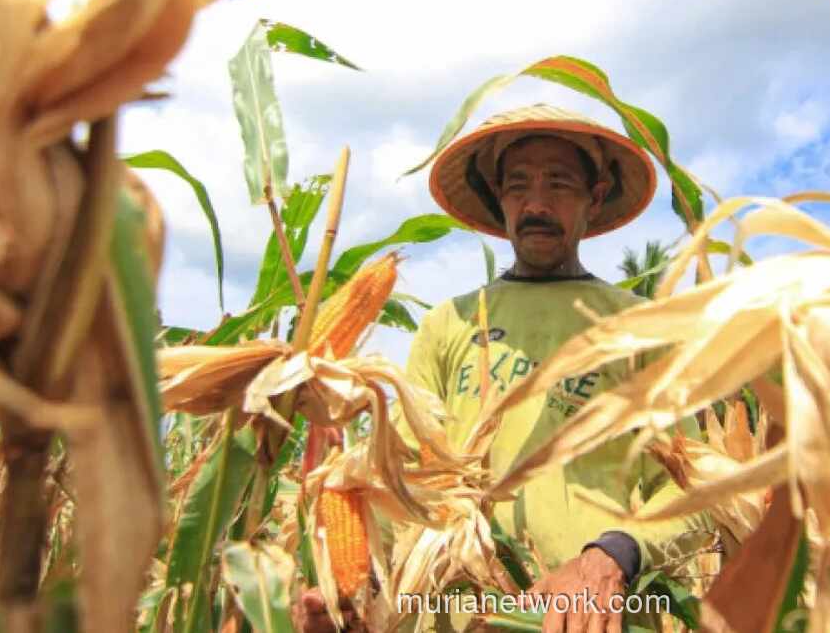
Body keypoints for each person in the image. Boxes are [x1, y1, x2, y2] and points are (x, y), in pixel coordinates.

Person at [297, 104, 710, 633]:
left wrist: (611, 556)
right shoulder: (449, 323)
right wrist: (352, 592)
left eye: (559, 183)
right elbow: (401, 482)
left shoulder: (639, 326)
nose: (536, 204)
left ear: (596, 196)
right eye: (518, 186)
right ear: (500, 199)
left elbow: (697, 491)